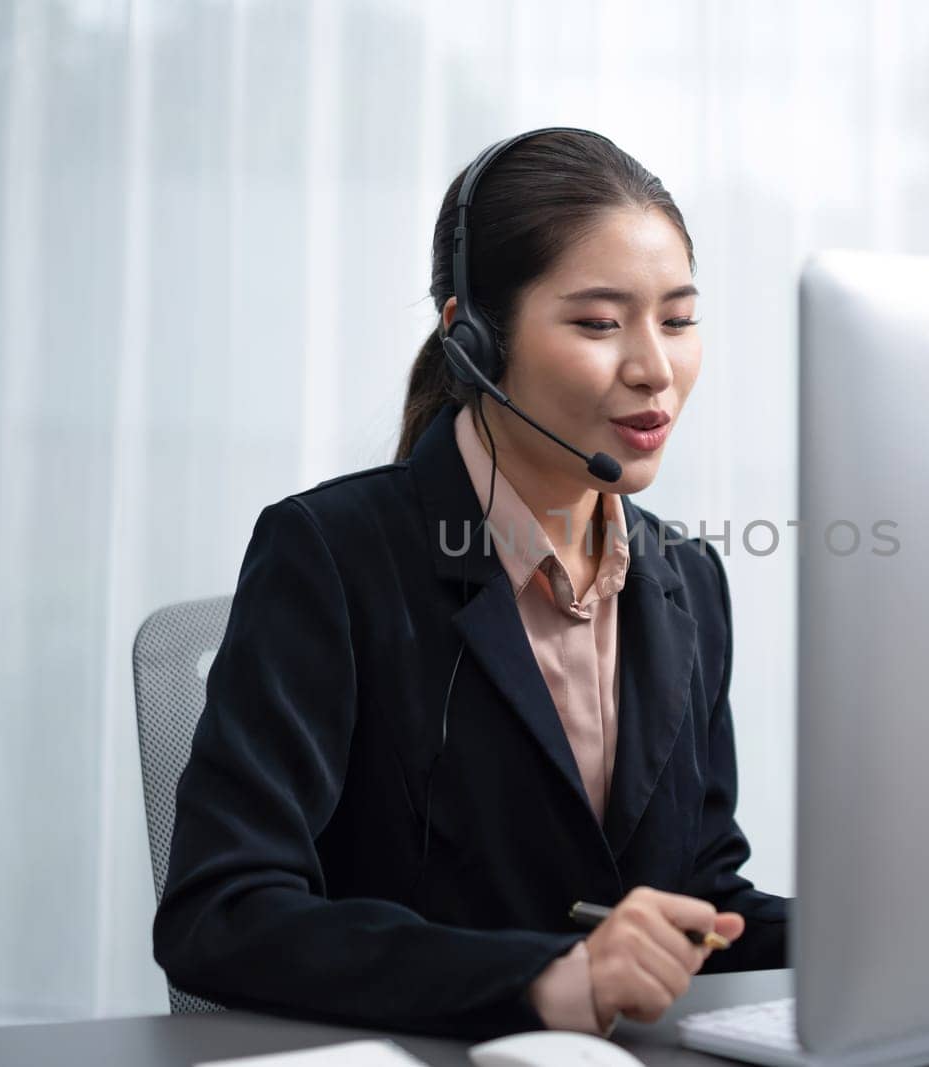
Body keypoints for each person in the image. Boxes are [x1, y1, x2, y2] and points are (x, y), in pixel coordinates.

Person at [152, 128, 790, 1041]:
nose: (655, 367)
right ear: (474, 342)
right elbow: (223, 911)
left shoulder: (686, 577)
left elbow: (698, 896)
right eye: (600, 323)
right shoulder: (332, 556)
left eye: (679, 319)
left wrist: (875, 937)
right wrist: (546, 979)